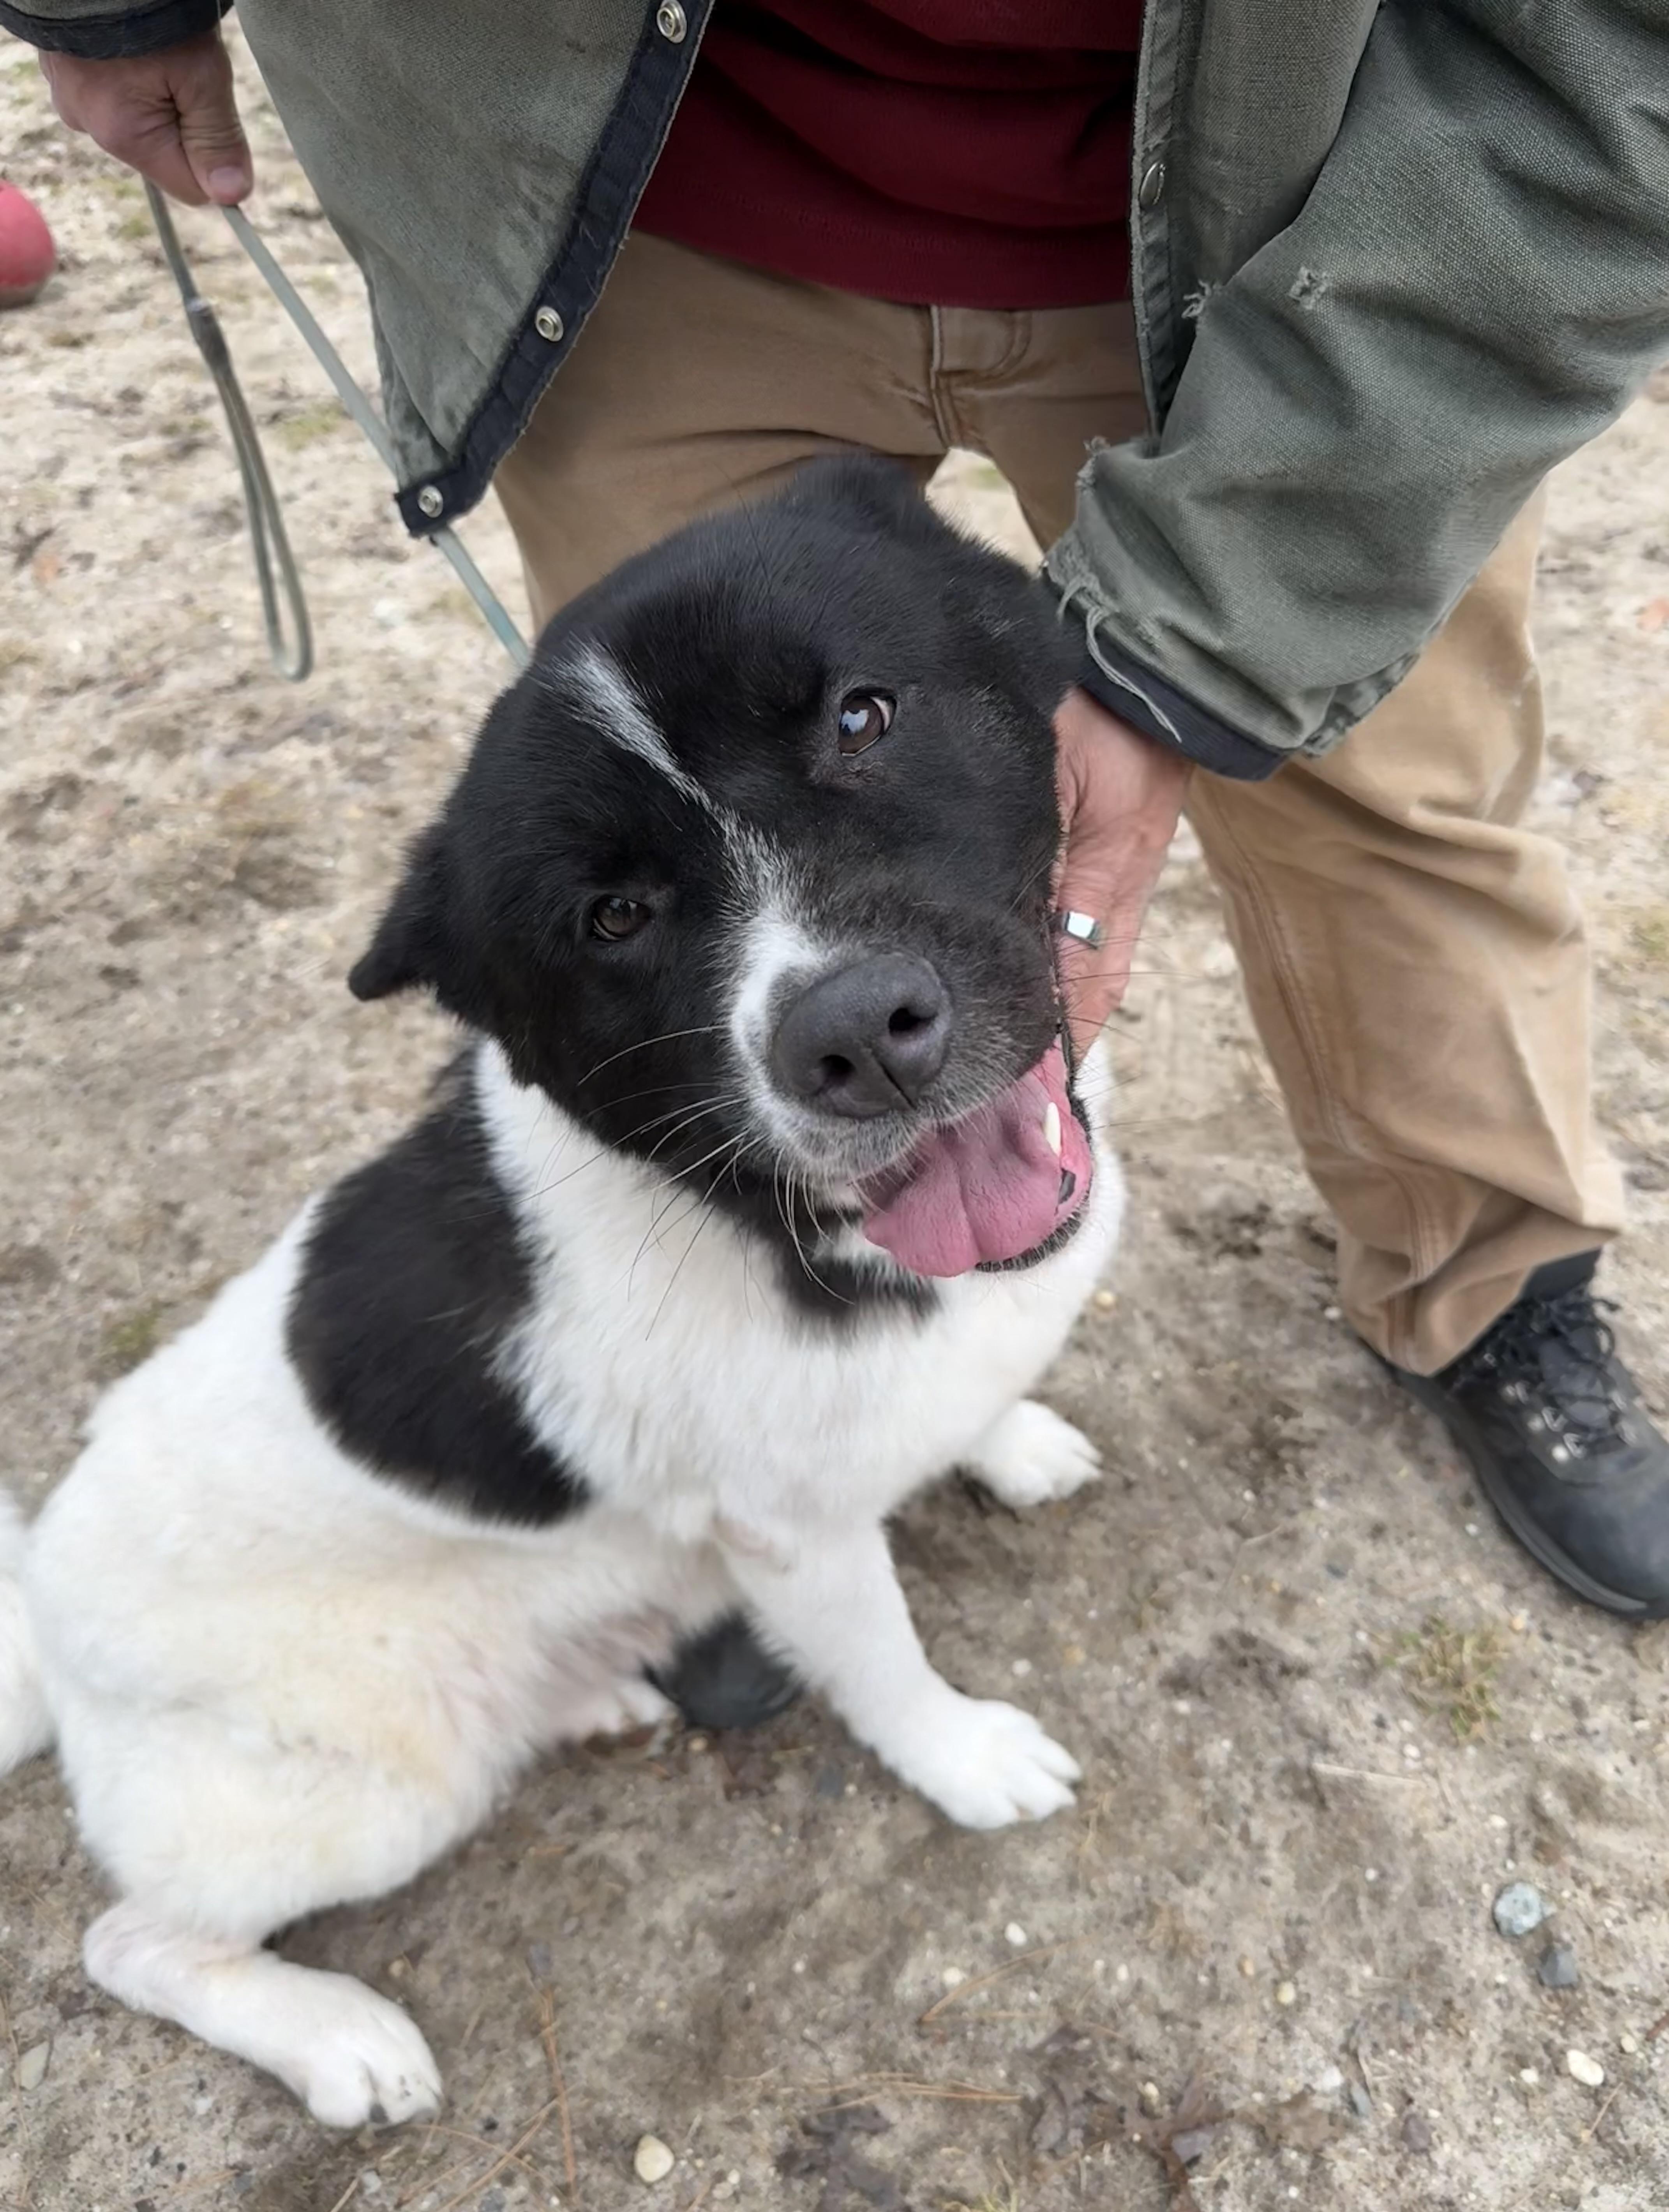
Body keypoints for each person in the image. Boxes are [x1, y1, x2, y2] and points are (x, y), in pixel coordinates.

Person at [14, 3, 1669, 1635]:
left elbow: (1612, 61)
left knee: (1389, 805)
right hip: (633, 209)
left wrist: (1202, 654)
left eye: (864, 729)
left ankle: (1490, 1282)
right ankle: (743, 1462)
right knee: (675, 909)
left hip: (1306, 219)